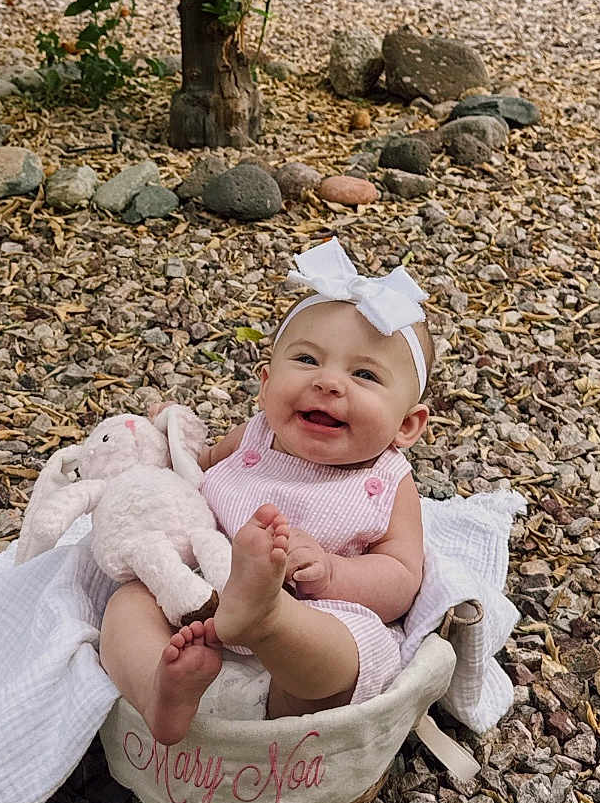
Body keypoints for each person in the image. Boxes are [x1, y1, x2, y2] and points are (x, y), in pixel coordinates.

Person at [99, 239, 434, 745]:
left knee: (354, 652)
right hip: (197, 591)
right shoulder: (251, 436)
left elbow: (402, 576)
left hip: (308, 615)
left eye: (364, 374)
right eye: (306, 360)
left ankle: (266, 616)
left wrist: (333, 572)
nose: (328, 383)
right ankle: (159, 688)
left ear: (407, 425)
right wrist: (154, 453)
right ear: (264, 383)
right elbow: (191, 470)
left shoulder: (388, 480)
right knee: (129, 604)